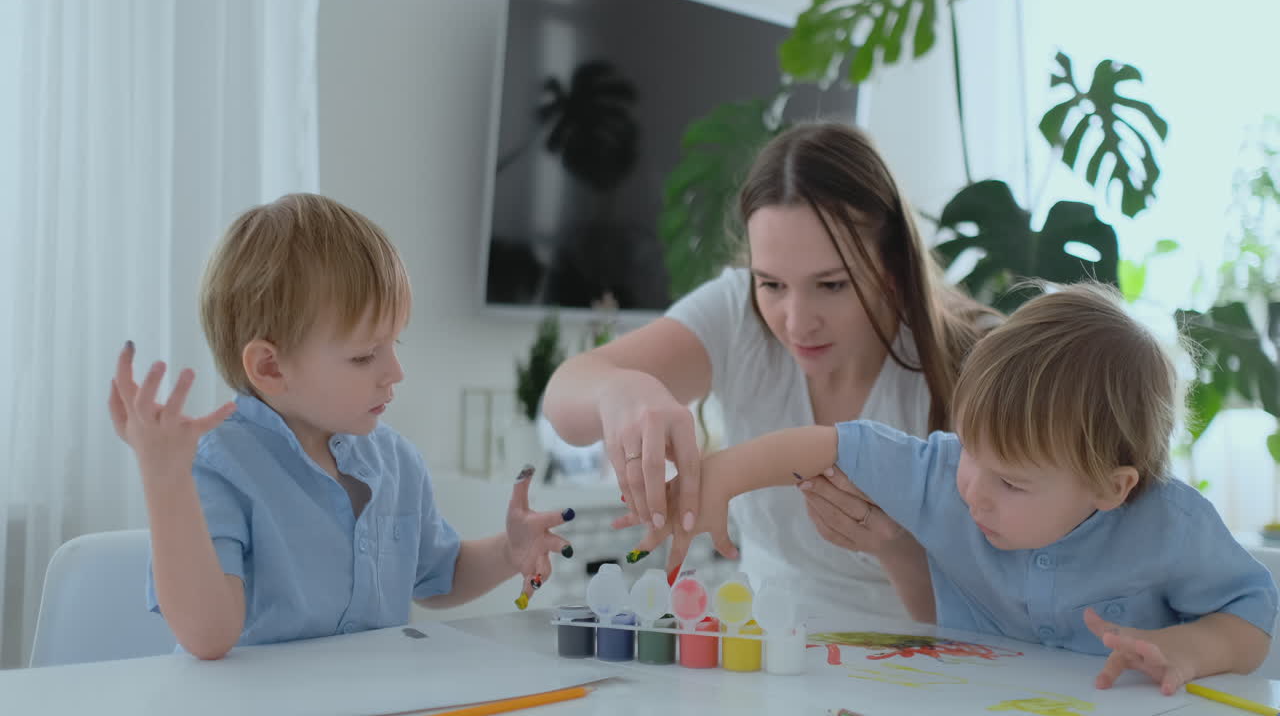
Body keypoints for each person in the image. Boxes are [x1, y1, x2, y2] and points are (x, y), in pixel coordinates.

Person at [637, 282, 1278, 694]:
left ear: (1111, 488)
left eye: (1011, 482)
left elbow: (1252, 617)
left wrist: (1185, 649)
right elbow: (833, 444)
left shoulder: (1167, 523)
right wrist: (720, 477)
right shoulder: (945, 475)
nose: (973, 490)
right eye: (970, 449)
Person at [543, 122, 999, 620]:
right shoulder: (738, 311)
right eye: (772, 284)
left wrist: (897, 551)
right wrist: (619, 389)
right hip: (764, 653)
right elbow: (565, 404)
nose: (797, 323)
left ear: (891, 268)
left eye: (831, 285)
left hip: (923, 665)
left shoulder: (974, 359)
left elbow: (999, 611)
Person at [108, 193, 573, 660]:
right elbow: (208, 636)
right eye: (364, 355)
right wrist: (165, 479)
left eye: (394, 343)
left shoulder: (396, 461)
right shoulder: (218, 465)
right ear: (270, 367)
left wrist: (507, 552)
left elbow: (437, 577)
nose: (395, 371)